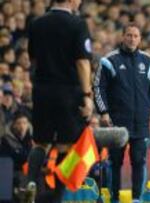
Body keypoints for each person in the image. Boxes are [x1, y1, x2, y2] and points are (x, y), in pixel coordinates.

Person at [26, 0, 93, 202]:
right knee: (65, 144)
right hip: (67, 92)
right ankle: (57, 195)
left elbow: (33, 59)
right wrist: (87, 95)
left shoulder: (37, 23)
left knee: (41, 142)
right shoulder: (77, 24)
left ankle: (30, 183)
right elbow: (82, 62)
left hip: (42, 89)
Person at [94, 23, 150, 203]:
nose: (132, 39)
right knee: (115, 162)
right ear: (123, 37)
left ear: (140, 39)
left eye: (136, 36)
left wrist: (149, 108)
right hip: (117, 121)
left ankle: (137, 199)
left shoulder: (149, 62)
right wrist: (104, 112)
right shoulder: (109, 60)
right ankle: (114, 198)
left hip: (140, 121)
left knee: (139, 161)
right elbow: (99, 87)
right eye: (129, 35)